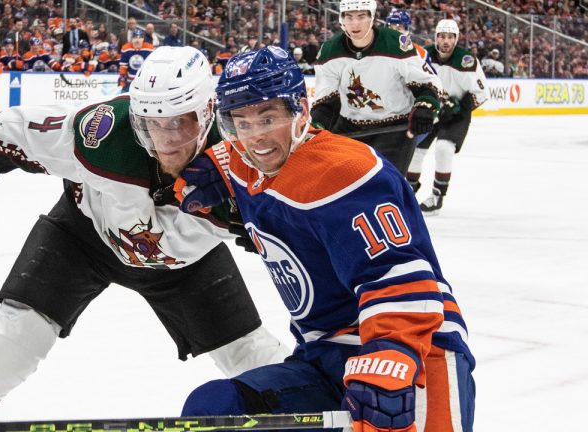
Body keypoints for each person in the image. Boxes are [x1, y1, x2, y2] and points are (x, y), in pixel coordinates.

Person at [0, 46, 288, 422]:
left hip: (186, 266)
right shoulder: (102, 133)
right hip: (83, 239)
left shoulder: (244, 159)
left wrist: (253, 217)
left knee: (257, 362)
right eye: (151, 125)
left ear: (208, 112)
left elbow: (305, 229)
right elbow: (8, 131)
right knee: (5, 346)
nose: (165, 141)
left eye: (180, 124)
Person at [174, 47, 475, 432]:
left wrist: (390, 357)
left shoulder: (346, 172)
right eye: (242, 123)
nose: (256, 138)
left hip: (415, 349)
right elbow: (228, 154)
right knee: (216, 407)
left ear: (300, 109)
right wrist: (211, 165)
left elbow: (398, 278)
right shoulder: (241, 161)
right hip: (322, 353)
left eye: (268, 118)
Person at [311, 0, 444, 175]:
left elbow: (428, 82)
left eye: (361, 16)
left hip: (395, 128)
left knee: (385, 184)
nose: (355, 23)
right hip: (349, 128)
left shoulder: (395, 43)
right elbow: (326, 102)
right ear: (342, 19)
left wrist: (425, 106)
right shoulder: (329, 51)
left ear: (372, 18)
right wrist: (317, 126)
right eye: (349, 17)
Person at [407, 19, 489, 215]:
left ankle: (437, 195)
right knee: (415, 150)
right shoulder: (424, 55)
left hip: (456, 116)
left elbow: (481, 94)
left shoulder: (466, 60)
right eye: (442, 36)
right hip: (431, 110)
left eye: (451, 37)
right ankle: (409, 189)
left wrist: (459, 108)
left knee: (444, 148)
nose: (446, 41)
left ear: (457, 39)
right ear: (436, 37)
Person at [118, 28, 154, 93]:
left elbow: (152, 66)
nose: (137, 40)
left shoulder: (149, 48)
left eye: (140, 38)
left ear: (143, 39)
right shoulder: (126, 48)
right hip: (130, 81)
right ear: (132, 39)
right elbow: (123, 66)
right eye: (135, 38)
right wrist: (122, 77)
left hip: (144, 81)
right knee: (124, 98)